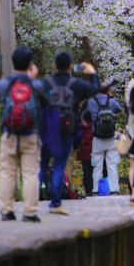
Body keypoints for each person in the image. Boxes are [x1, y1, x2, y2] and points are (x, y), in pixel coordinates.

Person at [40, 52, 98, 216]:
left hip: (48, 128)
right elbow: (95, 88)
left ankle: (35, 200)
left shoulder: (46, 84)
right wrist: (92, 73)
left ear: (55, 66)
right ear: (71, 66)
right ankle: (55, 203)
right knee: (59, 166)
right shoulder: (76, 84)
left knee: (42, 165)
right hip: (67, 129)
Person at [0, 47, 47, 223]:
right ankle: (30, 212)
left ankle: (6, 210)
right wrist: (31, 78)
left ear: (12, 62)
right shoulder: (36, 85)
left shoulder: (4, 84)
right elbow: (45, 103)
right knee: (31, 173)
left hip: (9, 134)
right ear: (30, 64)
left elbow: (0, 98)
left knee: (7, 172)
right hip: (30, 134)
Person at [85, 83, 123, 195]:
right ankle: (114, 189)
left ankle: (96, 189)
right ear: (107, 91)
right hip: (110, 137)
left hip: (97, 138)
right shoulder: (111, 102)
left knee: (97, 165)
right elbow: (119, 108)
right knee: (112, 164)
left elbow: (87, 113)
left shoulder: (91, 102)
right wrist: (111, 97)